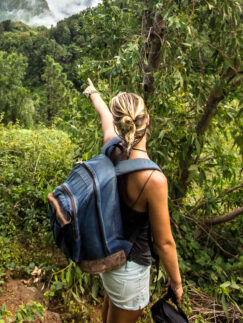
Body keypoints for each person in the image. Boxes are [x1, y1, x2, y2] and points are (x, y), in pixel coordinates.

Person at [82, 78, 183, 323]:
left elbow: (104, 115)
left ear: (119, 126)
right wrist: (177, 283)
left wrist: (93, 93)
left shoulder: (111, 148)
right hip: (130, 269)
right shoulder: (153, 179)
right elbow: (165, 243)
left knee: (110, 310)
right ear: (147, 120)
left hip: (110, 260)